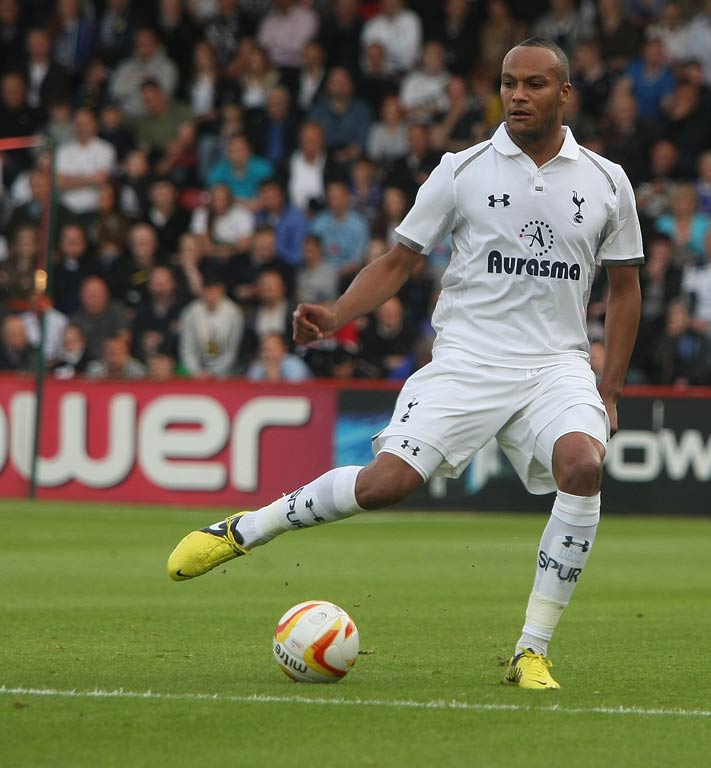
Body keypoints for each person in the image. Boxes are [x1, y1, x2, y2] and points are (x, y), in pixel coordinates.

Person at [168, 39, 644, 691]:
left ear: (564, 94)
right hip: (466, 362)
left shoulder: (606, 180)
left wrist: (608, 387)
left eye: (534, 84)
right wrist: (336, 315)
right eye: (508, 82)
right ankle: (246, 529)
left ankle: (531, 651)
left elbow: (625, 288)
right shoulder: (462, 169)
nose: (517, 95)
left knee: (584, 467)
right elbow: (399, 261)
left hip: (554, 367)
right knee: (385, 485)